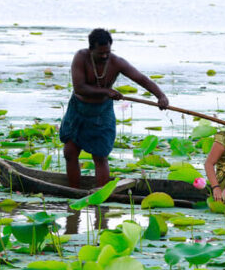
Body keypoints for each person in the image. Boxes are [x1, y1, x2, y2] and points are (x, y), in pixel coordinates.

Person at [60, 28, 169, 188]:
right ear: (91, 49)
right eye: (100, 53)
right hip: (78, 109)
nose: (104, 56)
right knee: (70, 151)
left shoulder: (116, 62)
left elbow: (140, 78)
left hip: (101, 112)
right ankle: (73, 191)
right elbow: (79, 88)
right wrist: (106, 91)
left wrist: (160, 96)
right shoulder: (81, 58)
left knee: (100, 156)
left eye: (107, 52)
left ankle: (102, 196)